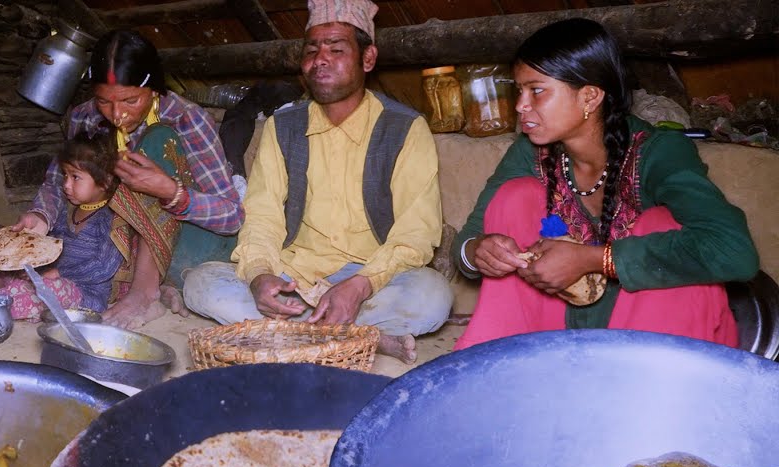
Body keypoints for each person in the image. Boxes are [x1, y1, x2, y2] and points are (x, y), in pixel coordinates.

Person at [451, 18, 758, 349]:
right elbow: (466, 243)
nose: (520, 106)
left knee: (662, 221)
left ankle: (644, 377)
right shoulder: (531, 151)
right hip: (557, 329)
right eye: (519, 90)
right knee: (516, 196)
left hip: (654, 333)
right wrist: (479, 250)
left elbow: (734, 251)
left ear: (590, 96)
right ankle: (512, 360)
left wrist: (595, 259)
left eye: (536, 91)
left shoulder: (660, 152)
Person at [182, 0, 452, 364]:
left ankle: (295, 336)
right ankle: (357, 337)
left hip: (369, 277)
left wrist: (360, 285)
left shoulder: (405, 128)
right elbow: (262, 214)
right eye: (311, 51)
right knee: (200, 285)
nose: (320, 60)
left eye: (336, 50)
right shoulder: (282, 126)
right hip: (294, 274)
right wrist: (260, 275)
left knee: (432, 297)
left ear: (367, 58)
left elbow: (416, 233)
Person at [11, 30, 244, 330]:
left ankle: (145, 291)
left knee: (155, 142)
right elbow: (57, 181)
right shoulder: (86, 117)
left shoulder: (187, 120)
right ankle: (146, 283)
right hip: (118, 251)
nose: (117, 114)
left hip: (192, 244)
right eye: (103, 101)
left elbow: (231, 217)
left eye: (130, 100)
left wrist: (170, 191)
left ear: (154, 87)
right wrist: (41, 214)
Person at [0, 131, 126, 320]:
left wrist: (58, 273)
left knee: (47, 292)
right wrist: (35, 269)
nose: (66, 184)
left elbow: (103, 267)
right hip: (52, 278)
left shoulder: (111, 219)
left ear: (106, 181)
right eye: (65, 175)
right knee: (2, 269)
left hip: (84, 293)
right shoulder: (67, 210)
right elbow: (50, 249)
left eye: (75, 177)